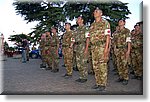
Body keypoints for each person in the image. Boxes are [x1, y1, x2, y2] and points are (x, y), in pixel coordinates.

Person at [89, 8, 111, 91]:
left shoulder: (105, 23)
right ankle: (98, 82)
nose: (94, 12)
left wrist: (106, 49)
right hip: (94, 48)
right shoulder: (92, 25)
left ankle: (103, 84)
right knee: (95, 66)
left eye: (96, 11)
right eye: (94, 11)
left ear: (101, 13)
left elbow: (108, 36)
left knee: (102, 65)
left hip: (102, 47)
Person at [70, 16, 89, 83]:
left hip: (83, 46)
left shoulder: (85, 28)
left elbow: (87, 38)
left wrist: (86, 49)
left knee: (83, 62)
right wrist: (71, 45)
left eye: (78, 19)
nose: (77, 20)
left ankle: (84, 77)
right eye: (77, 19)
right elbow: (73, 38)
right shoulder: (76, 29)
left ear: (82, 20)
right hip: (77, 47)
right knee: (78, 63)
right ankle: (81, 76)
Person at [113, 19, 131, 85]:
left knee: (124, 64)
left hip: (124, 49)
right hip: (118, 50)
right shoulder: (116, 32)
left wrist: (128, 51)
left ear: (124, 23)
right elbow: (114, 42)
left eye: (121, 21)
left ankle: (126, 78)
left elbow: (128, 41)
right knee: (118, 64)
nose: (119, 22)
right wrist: (115, 49)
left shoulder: (127, 31)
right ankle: (121, 77)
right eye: (119, 21)